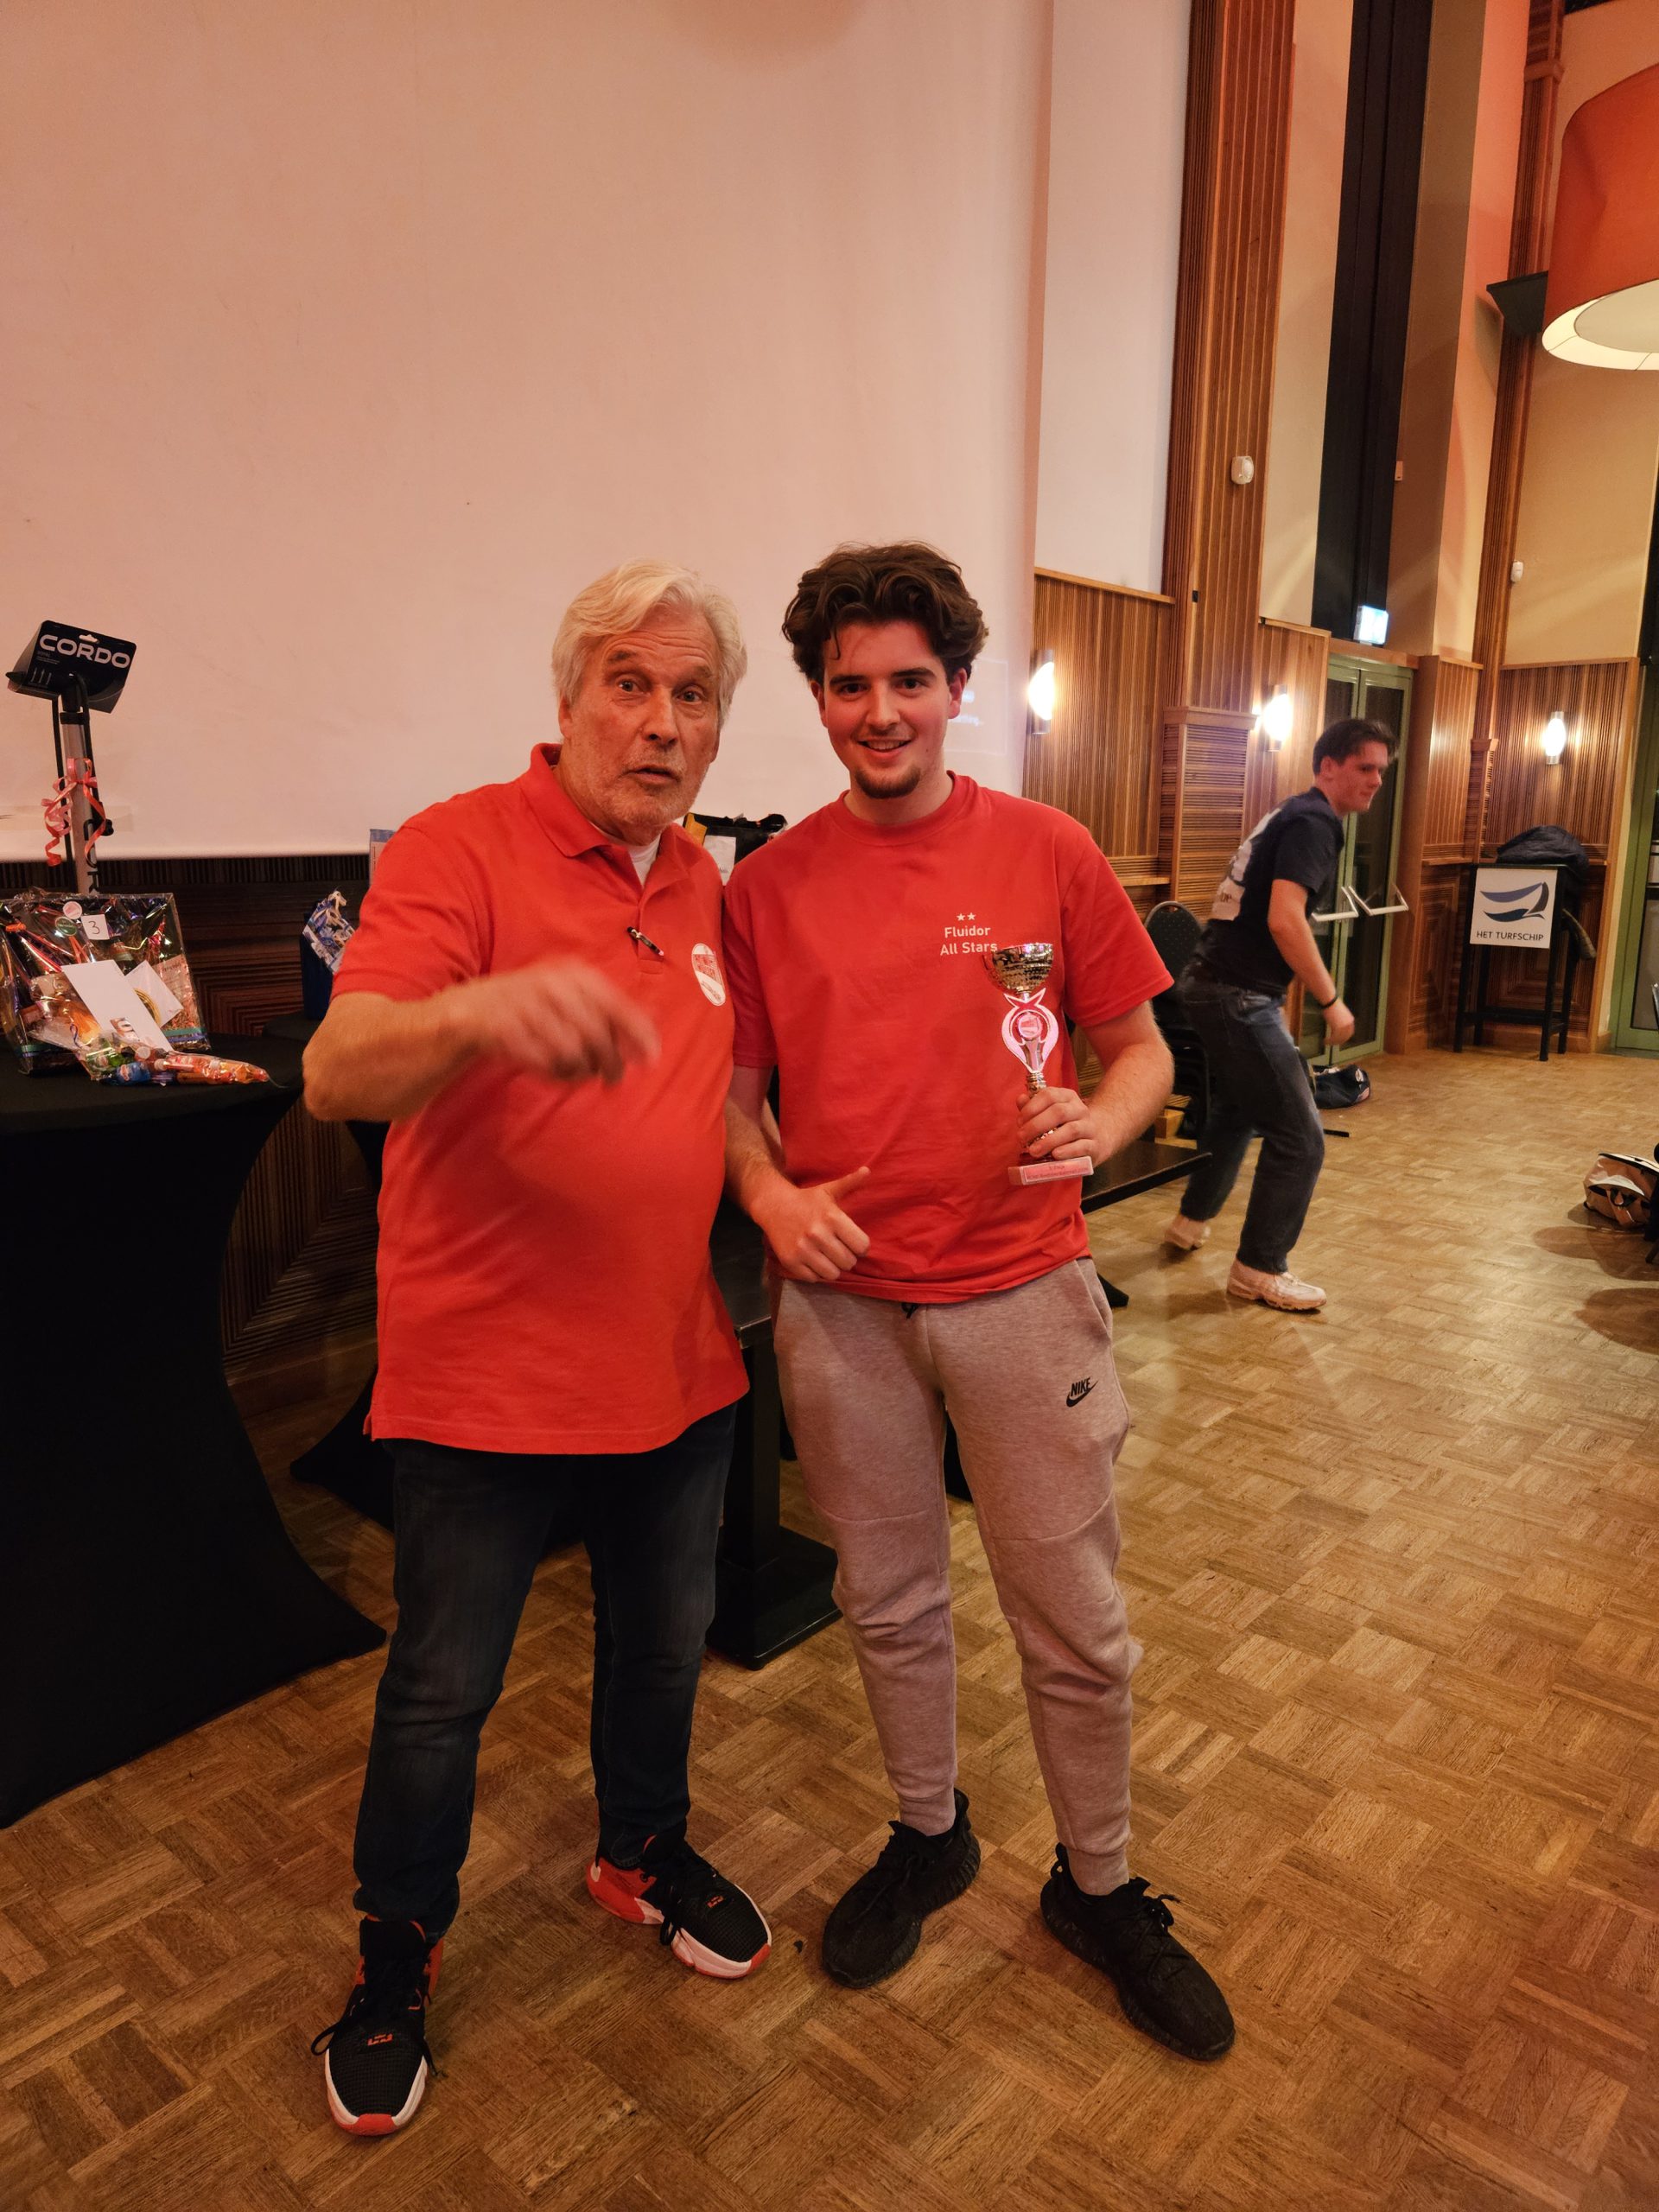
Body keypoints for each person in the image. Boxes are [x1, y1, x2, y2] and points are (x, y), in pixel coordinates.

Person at [721, 541, 1235, 2063]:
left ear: (956, 687)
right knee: (885, 1600)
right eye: (849, 686)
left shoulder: (1048, 851)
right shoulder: (769, 887)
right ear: (821, 698)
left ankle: (1100, 1884)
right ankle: (930, 1832)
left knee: (1072, 1616)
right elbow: (733, 1104)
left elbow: (1138, 1048)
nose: (879, 711)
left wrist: (1105, 1122)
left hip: (1023, 1291)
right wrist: (769, 1199)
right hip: (843, 1310)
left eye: (908, 681)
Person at [302, 561, 771, 2139]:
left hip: (676, 1366)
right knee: (444, 1692)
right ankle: (396, 1949)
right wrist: (488, 1014)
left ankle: (639, 1852)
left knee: (661, 1649)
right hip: (486, 1380)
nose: (661, 722)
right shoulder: (458, 848)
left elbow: (717, 1100)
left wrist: (776, 1187)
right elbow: (338, 1071)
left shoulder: (704, 884)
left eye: (692, 695)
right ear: (568, 701)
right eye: (630, 685)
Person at [1163, 717, 1395, 1312]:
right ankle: (1259, 1269)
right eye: (1365, 767)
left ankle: (1190, 1221)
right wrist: (1331, 1000)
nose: (1376, 780)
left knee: (1239, 1109)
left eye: (1381, 770)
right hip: (1236, 994)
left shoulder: (1294, 812)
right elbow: (1284, 918)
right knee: (1300, 1138)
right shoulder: (1315, 823)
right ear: (1328, 767)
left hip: (1211, 983)